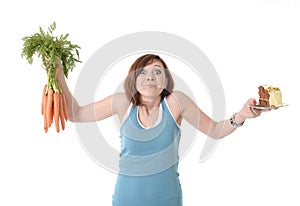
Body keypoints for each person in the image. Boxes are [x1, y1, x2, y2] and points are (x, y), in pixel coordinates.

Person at [49, 54, 263, 206]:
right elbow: (74, 114)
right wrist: (58, 74)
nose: (150, 77)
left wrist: (241, 115)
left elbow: (215, 129)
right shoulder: (122, 103)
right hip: (126, 200)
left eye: (157, 72)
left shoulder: (177, 102)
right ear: (133, 80)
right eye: (143, 72)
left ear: (166, 80)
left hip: (167, 200)